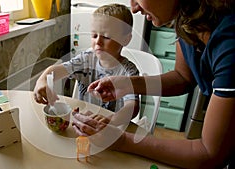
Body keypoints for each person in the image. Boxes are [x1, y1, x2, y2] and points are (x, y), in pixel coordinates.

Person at [72, 0, 235, 168]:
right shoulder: (186, 19)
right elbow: (183, 77)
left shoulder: (229, 42)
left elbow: (209, 153)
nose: (134, 8)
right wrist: (128, 84)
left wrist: (120, 140)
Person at [34, 4, 140, 120]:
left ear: (125, 39)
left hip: (113, 129)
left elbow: (132, 106)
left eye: (106, 36)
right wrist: (42, 80)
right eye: (94, 35)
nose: (98, 42)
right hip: (83, 122)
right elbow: (56, 71)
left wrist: (111, 121)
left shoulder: (129, 71)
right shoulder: (86, 59)